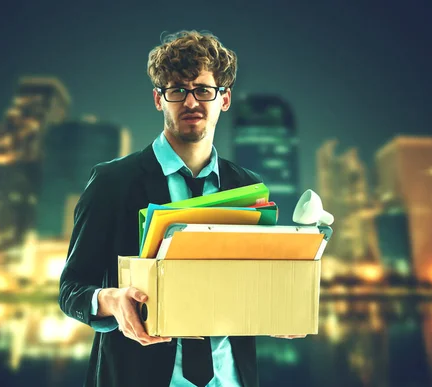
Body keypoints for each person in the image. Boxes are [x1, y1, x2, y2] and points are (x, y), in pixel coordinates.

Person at [59, 30, 305, 387]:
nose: (192, 102)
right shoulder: (113, 182)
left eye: (204, 90)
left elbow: (254, 284)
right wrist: (110, 300)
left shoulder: (248, 186)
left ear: (224, 99)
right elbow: (71, 289)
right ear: (159, 99)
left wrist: (280, 309)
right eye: (177, 90)